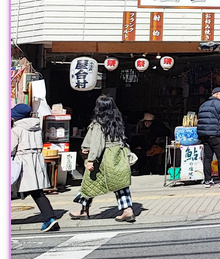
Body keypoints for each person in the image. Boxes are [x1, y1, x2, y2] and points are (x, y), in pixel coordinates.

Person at [70, 95, 136, 222]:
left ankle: (84, 210)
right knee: (120, 183)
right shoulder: (118, 121)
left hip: (103, 158)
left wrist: (91, 160)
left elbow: (97, 144)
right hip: (119, 155)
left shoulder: (98, 123)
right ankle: (128, 210)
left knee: (89, 183)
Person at [11, 104, 59, 232]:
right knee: (37, 191)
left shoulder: (16, 129)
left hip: (23, 162)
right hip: (37, 161)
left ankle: (50, 218)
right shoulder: (37, 127)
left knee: (34, 192)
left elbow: (10, 148)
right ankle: (51, 218)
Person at [198, 86, 220, 187]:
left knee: (207, 158)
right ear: (217, 94)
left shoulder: (203, 105)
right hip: (216, 135)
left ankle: (207, 180)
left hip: (204, 136)